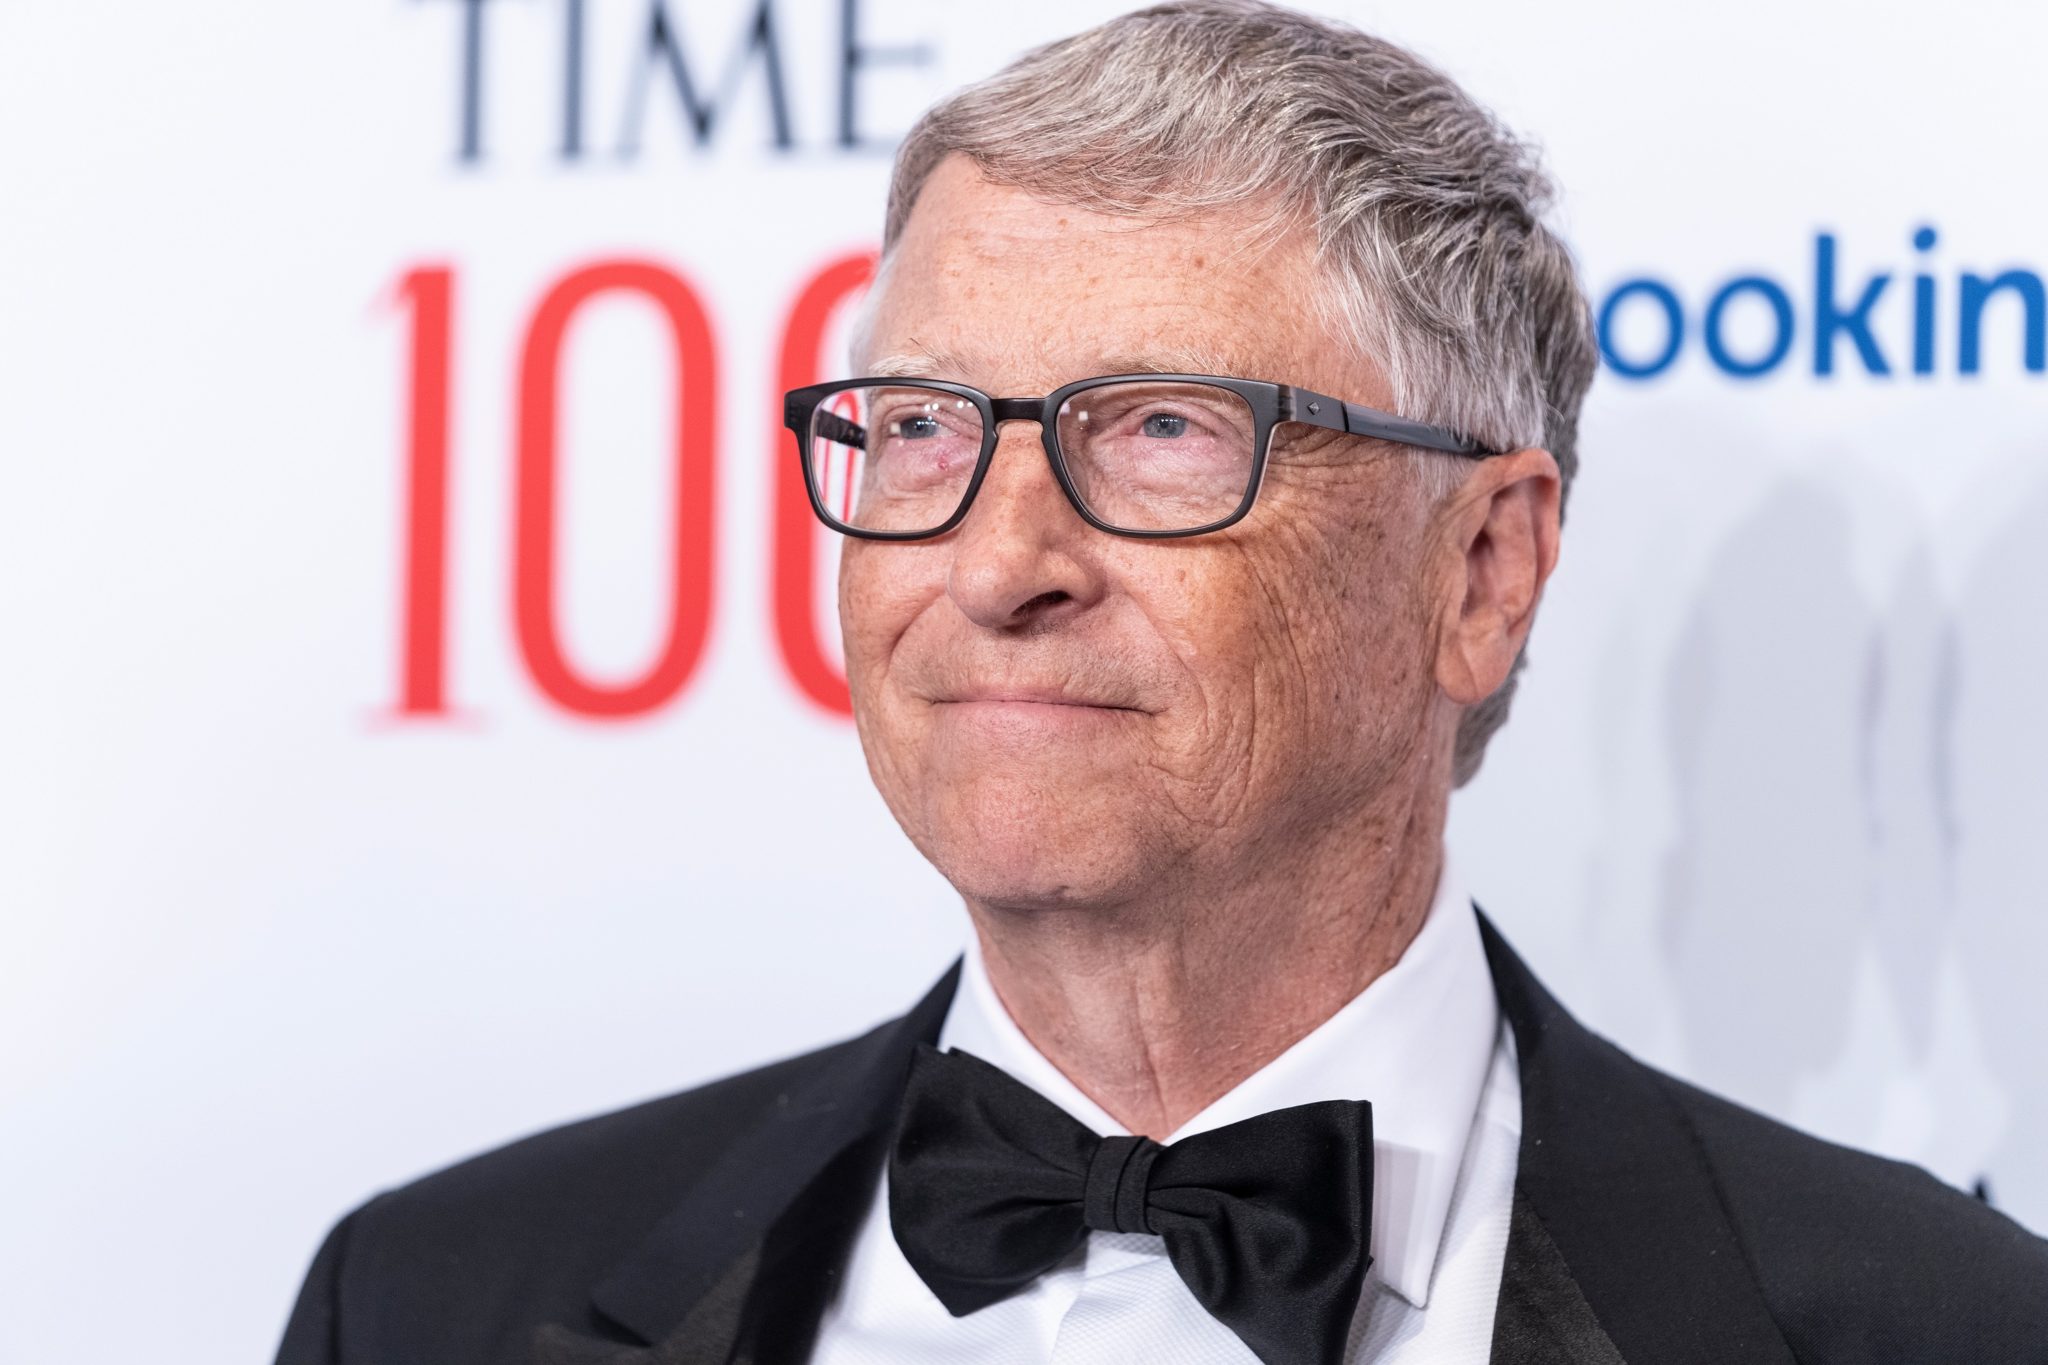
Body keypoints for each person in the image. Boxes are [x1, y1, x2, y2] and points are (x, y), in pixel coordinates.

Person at [274, 3, 2048, 1362]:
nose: (995, 561)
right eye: (921, 429)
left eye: (1166, 431)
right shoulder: (431, 1300)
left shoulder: (1943, 1329)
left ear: (1481, 570)